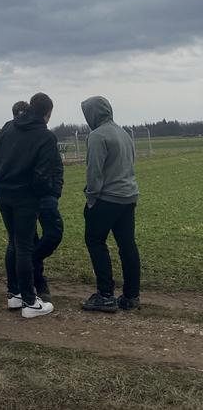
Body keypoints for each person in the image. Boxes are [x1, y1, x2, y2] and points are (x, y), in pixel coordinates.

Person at [0, 93, 62, 318]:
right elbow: (43, 175)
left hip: (2, 192)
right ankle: (30, 303)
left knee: (13, 242)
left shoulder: (9, 127)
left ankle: (15, 295)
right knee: (24, 246)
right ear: (48, 113)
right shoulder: (45, 137)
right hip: (25, 196)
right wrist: (43, 194)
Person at [80, 96, 141, 312]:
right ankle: (132, 295)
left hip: (107, 198)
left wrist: (91, 197)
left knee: (95, 241)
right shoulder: (124, 132)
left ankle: (105, 294)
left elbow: (94, 171)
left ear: (92, 114)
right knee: (127, 245)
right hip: (129, 196)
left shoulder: (97, 136)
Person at [5, 101, 64, 302]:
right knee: (23, 242)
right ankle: (31, 287)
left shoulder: (43, 136)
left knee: (50, 236)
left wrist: (54, 191)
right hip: (26, 196)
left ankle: (24, 278)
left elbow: (55, 165)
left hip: (43, 194)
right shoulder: (14, 132)